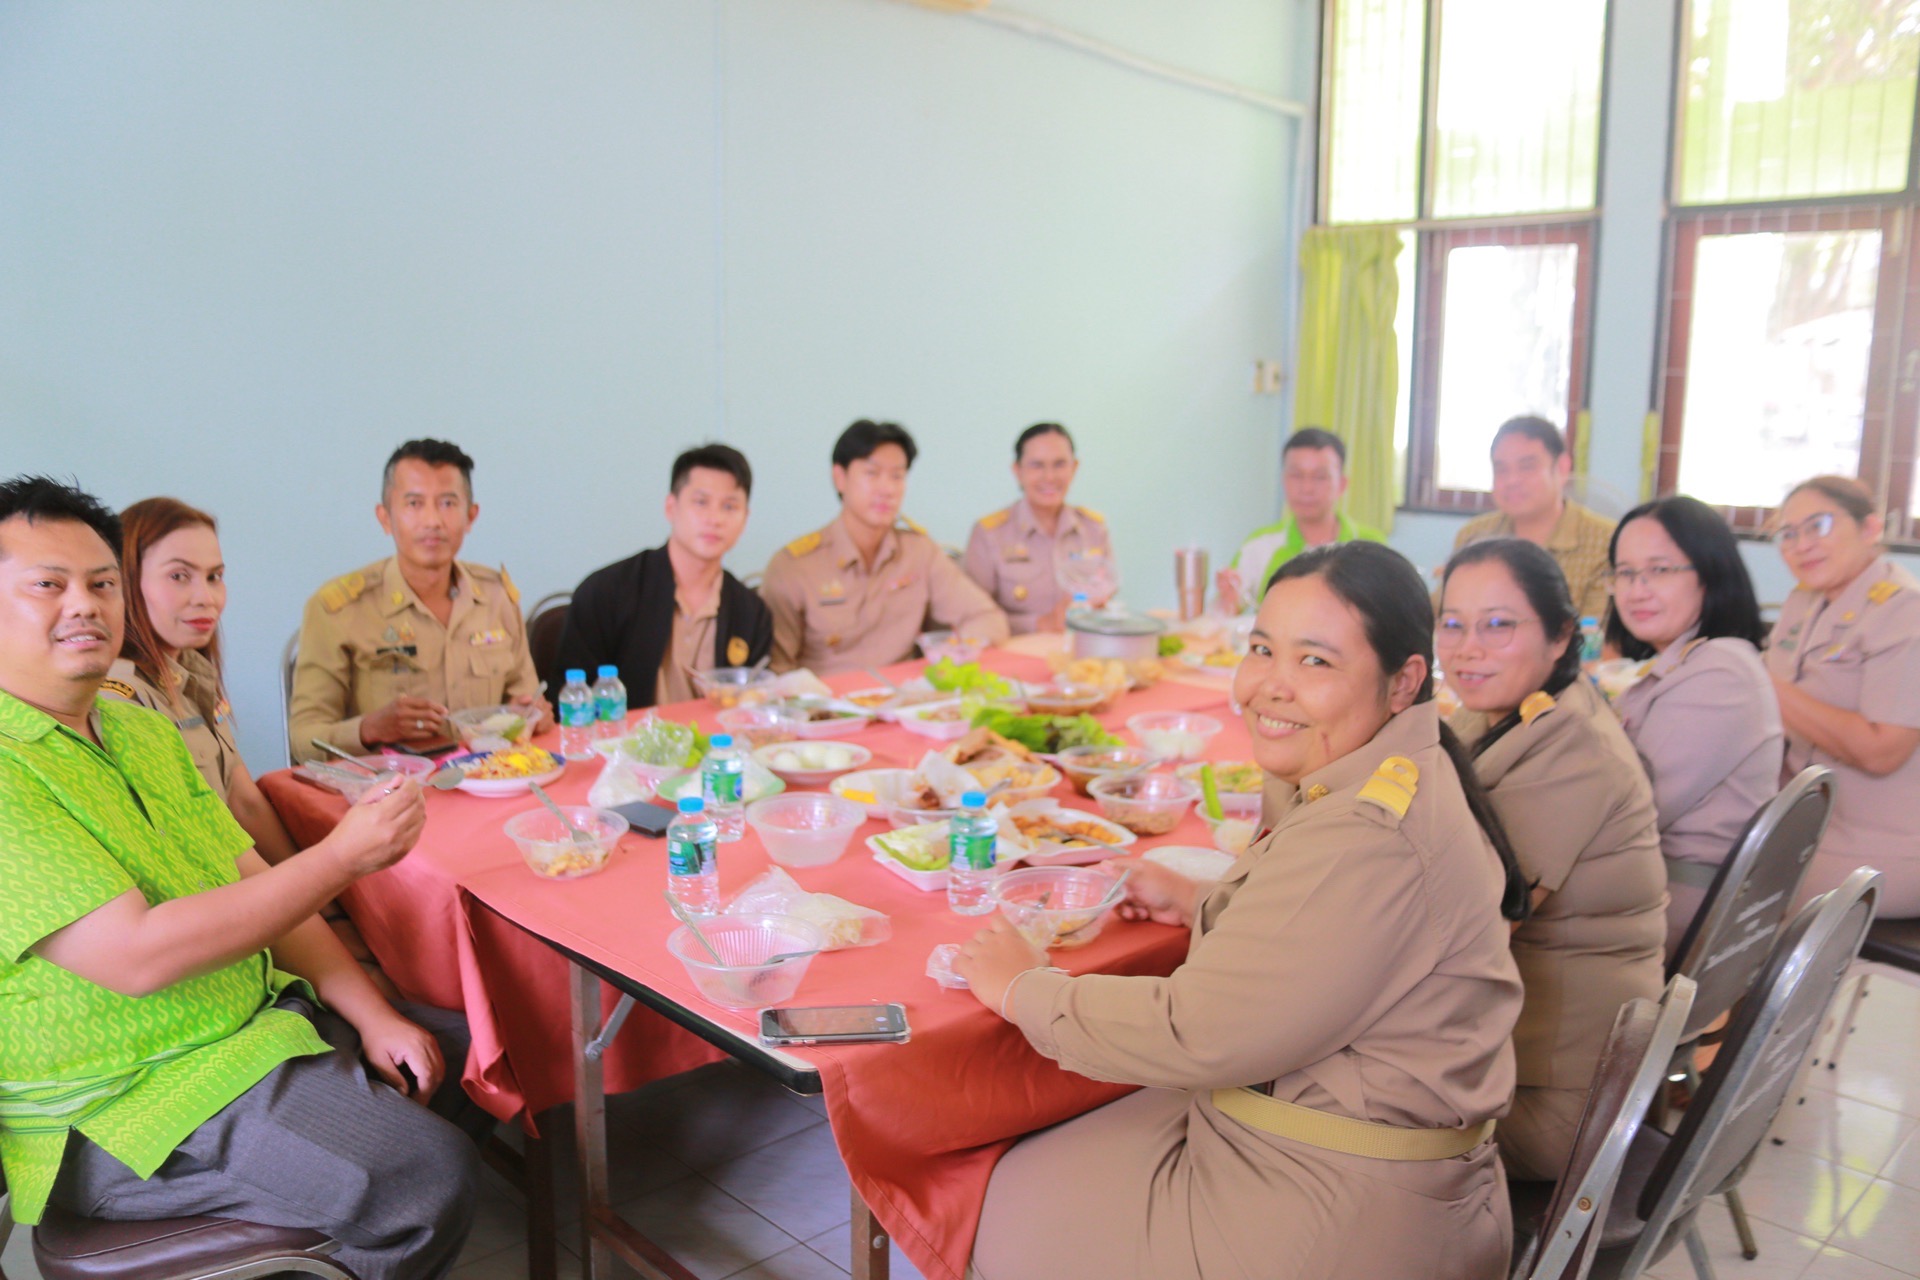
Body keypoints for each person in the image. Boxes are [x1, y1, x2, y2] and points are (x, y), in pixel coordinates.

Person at [954, 541, 1529, 1280]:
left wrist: (1022, 989)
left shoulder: (1368, 832)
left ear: (1403, 681)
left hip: (1347, 1206)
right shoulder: (1400, 769)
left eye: (1315, 661)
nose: (1269, 686)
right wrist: (1201, 900)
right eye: (1262, 649)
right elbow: (1331, 945)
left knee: (1000, 1193)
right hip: (1359, 1149)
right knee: (1053, 1145)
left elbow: (1198, 1032)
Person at [0, 476, 478, 1279]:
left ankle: (336, 1225)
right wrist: (339, 858)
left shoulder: (137, 730)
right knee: (428, 1176)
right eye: (47, 586)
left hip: (245, 1033)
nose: (83, 605)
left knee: (464, 1052)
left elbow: (255, 885)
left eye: (101, 584)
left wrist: (369, 1011)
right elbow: (138, 956)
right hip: (130, 1103)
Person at [1438, 537, 1667, 1182]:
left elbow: (1463, 935)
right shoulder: (1519, 711)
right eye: (1451, 623)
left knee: (1301, 1097)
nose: (1466, 647)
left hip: (1555, 1107)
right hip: (1525, 1062)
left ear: (1562, 636)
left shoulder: (1571, 751)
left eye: (1499, 625)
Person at [289, 438, 550, 761]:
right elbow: (302, 740)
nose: (432, 521)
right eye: (414, 504)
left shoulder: (497, 596)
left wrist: (534, 714)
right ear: (385, 517)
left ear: (471, 516)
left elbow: (526, 704)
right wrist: (369, 728)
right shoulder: (338, 609)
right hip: (392, 794)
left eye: (447, 503)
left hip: (489, 783)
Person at [1604, 496, 1783, 953]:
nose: (1636, 589)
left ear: (1710, 572)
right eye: (1624, 573)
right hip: (1657, 886)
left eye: (1660, 570)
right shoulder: (1687, 663)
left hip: (1673, 905)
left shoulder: (1720, 674)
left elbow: (1628, 813)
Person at [1766, 475, 1920, 917]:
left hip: (1877, 846)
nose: (1801, 544)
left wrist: (1762, 684)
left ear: (1870, 529)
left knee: (1725, 892)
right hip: (1807, 822)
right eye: (1788, 534)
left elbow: (1881, 750)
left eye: (1819, 526)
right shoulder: (1805, 600)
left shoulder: (1903, 609)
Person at [761, 420, 1008, 675]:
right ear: (840, 478)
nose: (887, 489)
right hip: (828, 709)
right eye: (872, 473)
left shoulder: (919, 552)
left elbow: (987, 618)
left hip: (908, 703)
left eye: (897, 476)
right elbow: (774, 670)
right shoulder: (794, 567)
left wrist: (952, 652)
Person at [556, 444, 773, 708]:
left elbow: (752, 707)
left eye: (729, 506)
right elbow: (568, 703)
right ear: (671, 507)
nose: (714, 519)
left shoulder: (751, 611)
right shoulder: (607, 592)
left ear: (745, 518)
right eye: (701, 502)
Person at [1452, 416, 1615, 622]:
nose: (1512, 480)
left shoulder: (1605, 541)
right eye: (1501, 469)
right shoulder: (1473, 537)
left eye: (1527, 466)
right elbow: (1446, 615)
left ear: (1562, 468)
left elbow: (1597, 637)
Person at [963, 423, 1114, 633]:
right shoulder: (990, 534)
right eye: (1037, 465)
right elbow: (971, 616)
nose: (1049, 477)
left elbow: (1105, 593)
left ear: (1075, 467)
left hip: (1083, 653)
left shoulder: (1093, 528)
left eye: (1059, 464)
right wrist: (1041, 623)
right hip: (1015, 656)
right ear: (1018, 471)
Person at [1215, 427, 1385, 614]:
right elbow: (1223, 616)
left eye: (1320, 477)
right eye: (1296, 475)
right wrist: (1226, 599)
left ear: (1342, 484)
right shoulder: (1259, 545)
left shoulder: (1371, 547)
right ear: (1283, 480)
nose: (1306, 488)